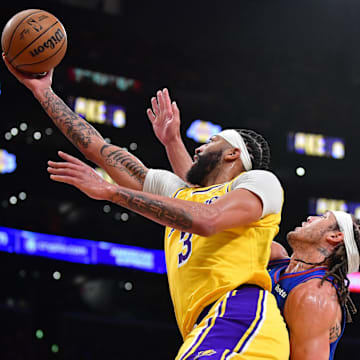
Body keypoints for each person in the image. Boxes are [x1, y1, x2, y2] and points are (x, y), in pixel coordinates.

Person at [3, 55, 289, 360]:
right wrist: (44, 92)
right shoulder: (183, 196)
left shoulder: (260, 182)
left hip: (238, 318)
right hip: (204, 328)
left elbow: (208, 219)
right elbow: (101, 150)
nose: (200, 146)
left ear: (233, 154)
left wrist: (112, 192)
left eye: (211, 141)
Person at [144, 89, 360, 359]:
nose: (310, 217)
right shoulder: (278, 257)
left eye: (322, 218)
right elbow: (204, 202)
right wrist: (173, 142)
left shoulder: (316, 298)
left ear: (335, 238)